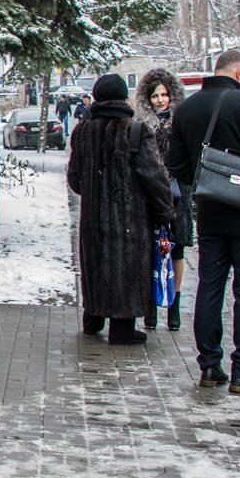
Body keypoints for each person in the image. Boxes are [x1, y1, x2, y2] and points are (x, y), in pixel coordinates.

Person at [168, 49, 240, 393]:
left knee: (210, 286)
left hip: (210, 213)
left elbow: (177, 165)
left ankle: (209, 366)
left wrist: (206, 185)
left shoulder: (186, 109)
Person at [67, 74, 174, 344]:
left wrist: (96, 191)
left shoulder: (82, 131)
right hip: (130, 220)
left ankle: (93, 317)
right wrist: (165, 212)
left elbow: (75, 180)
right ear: (123, 98)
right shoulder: (134, 131)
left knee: (95, 264)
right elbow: (154, 177)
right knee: (124, 267)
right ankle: (122, 327)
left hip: (92, 219)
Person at [135, 68, 192, 331]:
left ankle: (174, 305)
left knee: (176, 248)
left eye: (164, 95)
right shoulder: (142, 125)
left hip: (178, 192)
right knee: (151, 248)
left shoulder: (181, 122)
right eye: (155, 95)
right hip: (151, 193)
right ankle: (151, 306)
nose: (160, 100)